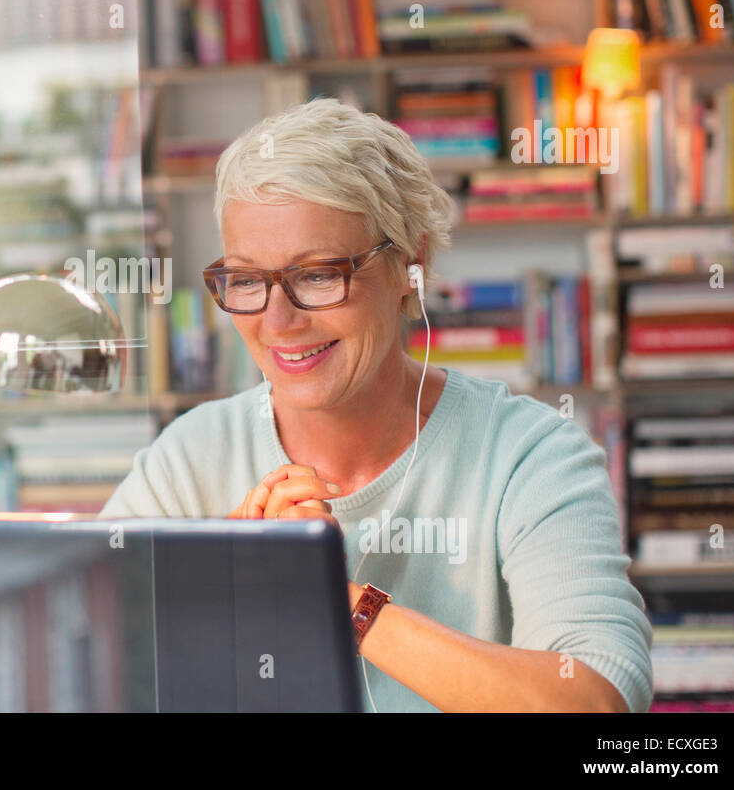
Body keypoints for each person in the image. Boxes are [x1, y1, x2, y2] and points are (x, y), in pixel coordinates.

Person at [98, 98, 652, 712]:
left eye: (316, 275)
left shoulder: (529, 456)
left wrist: (340, 601)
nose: (278, 322)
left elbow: (597, 706)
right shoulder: (189, 459)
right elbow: (89, 675)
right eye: (248, 280)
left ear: (408, 271)